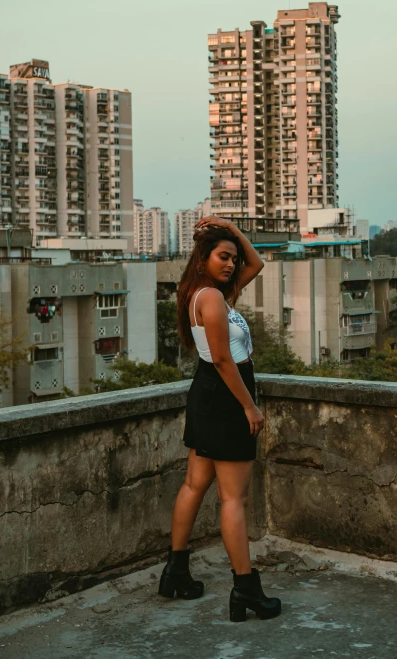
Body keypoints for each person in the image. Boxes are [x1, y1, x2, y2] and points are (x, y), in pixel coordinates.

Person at [158, 215, 281, 622]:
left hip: (209, 394)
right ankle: (246, 589)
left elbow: (257, 263)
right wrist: (250, 406)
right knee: (233, 498)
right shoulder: (210, 298)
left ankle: (175, 572)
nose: (231, 263)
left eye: (231, 258)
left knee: (195, 484)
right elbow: (224, 359)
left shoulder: (209, 293)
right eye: (222, 256)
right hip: (226, 396)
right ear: (203, 259)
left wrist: (229, 226)